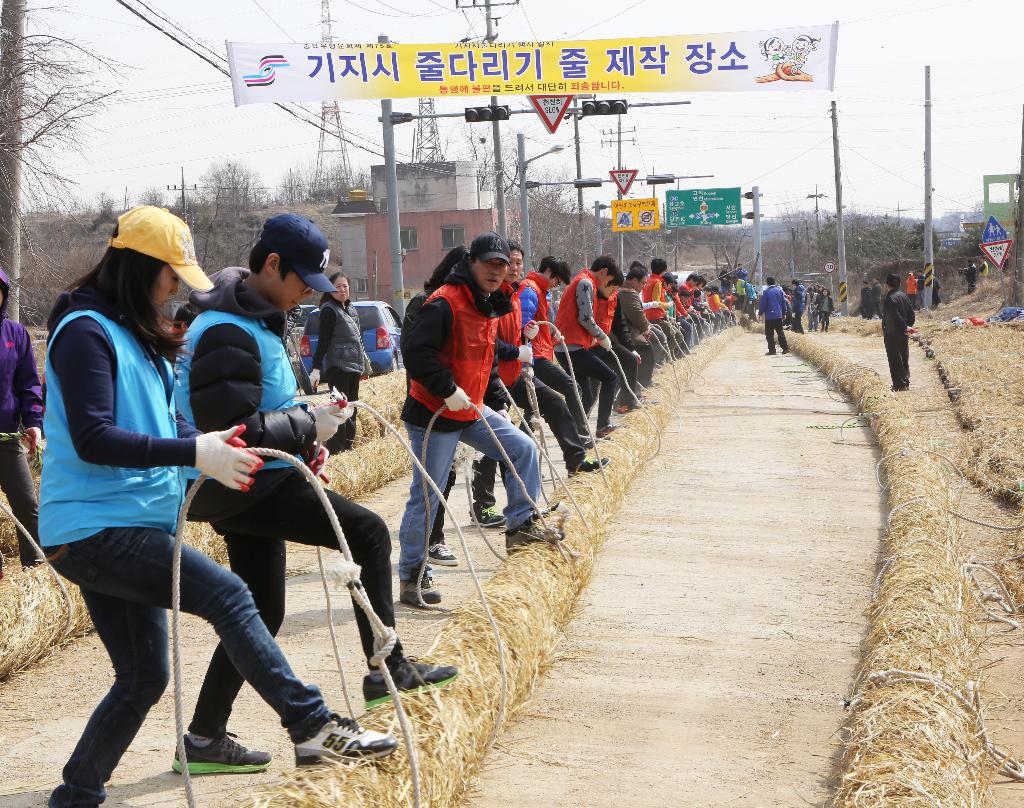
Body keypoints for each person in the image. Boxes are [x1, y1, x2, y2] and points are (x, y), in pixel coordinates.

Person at [40, 207, 389, 807]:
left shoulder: (139, 337)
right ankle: (311, 725)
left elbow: (168, 421)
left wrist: (227, 449)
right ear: (138, 268)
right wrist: (191, 450)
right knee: (232, 596)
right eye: (171, 275)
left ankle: (76, 794)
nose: (176, 288)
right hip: (96, 525)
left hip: (132, 521)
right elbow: (95, 436)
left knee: (144, 677)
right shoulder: (84, 333)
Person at [176, 213, 457, 773]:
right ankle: (387, 669)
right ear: (272, 264)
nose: (309, 292)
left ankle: (204, 736)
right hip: (242, 485)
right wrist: (307, 425)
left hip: (248, 483)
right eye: (303, 280)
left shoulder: (253, 320)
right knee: (369, 534)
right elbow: (232, 426)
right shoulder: (226, 328)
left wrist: (308, 430)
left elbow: (263, 412)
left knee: (262, 610)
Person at [398, 231, 555, 605]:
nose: (497, 271)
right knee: (427, 496)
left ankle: (520, 525)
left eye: (503, 265)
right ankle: (412, 576)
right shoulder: (444, 303)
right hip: (434, 413)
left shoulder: (486, 302)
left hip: (469, 409)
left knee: (522, 449)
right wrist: (448, 390)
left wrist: (518, 352)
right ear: (472, 263)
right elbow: (415, 354)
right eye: (490, 264)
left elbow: (484, 349)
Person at [470, 241, 600, 538]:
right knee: (497, 440)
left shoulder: (515, 294)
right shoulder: (489, 297)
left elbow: (515, 332)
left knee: (552, 403)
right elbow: (486, 343)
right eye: (509, 263)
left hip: (515, 374)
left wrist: (524, 337)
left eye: (517, 263)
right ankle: (484, 504)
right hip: (492, 380)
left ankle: (574, 461)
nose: (514, 268)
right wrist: (518, 350)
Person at [403, 247, 474, 554]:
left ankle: (434, 536)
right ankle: (432, 541)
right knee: (432, 481)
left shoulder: (472, 305)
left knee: (450, 472)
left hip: (461, 403)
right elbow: (414, 353)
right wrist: (445, 388)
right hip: (432, 402)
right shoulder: (428, 302)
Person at [0, 266, 43, 578]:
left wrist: (33, 422)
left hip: (7, 437)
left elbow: (28, 384)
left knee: (27, 504)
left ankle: (36, 571)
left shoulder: (15, 335)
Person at [518, 256, 586, 441]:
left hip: (538, 353)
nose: (556, 285)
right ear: (548, 271)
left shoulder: (539, 291)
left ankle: (502, 456)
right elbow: (524, 328)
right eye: (557, 280)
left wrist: (551, 335)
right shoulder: (530, 290)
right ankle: (580, 438)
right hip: (534, 357)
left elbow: (536, 327)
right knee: (572, 388)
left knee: (534, 408)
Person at [555, 256, 624, 439]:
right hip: (571, 347)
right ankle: (602, 425)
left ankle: (576, 434)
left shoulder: (585, 282)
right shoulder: (585, 283)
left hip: (573, 346)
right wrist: (601, 337)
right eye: (609, 280)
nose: (607, 283)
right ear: (603, 272)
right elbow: (585, 318)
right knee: (610, 378)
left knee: (585, 394)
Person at [309, 272, 363, 453]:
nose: (342, 290)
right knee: (339, 411)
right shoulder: (329, 311)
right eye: (338, 286)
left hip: (354, 366)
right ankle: (336, 451)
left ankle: (349, 448)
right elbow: (323, 341)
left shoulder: (350, 308)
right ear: (329, 289)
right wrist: (316, 368)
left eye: (345, 286)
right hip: (338, 367)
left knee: (352, 410)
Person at [619, 265, 657, 389]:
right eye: (642, 283)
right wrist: (646, 328)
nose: (643, 286)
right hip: (627, 333)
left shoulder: (624, 291)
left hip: (626, 331)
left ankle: (639, 387)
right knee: (646, 350)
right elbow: (636, 313)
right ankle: (640, 387)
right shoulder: (628, 293)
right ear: (634, 280)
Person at [881, 272, 915, 392]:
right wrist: (909, 326)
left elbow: (895, 316)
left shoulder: (890, 299)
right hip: (903, 332)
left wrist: (904, 326)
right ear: (900, 283)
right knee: (904, 356)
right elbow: (912, 313)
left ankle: (899, 384)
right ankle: (905, 381)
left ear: (886, 285)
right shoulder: (904, 296)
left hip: (892, 332)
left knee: (894, 358)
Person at [757, 276, 789, 356]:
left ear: (767, 282)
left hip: (770, 316)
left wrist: (760, 313)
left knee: (769, 333)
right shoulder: (780, 291)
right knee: (780, 332)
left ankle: (772, 350)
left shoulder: (766, 292)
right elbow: (783, 303)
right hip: (779, 315)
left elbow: (763, 304)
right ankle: (785, 348)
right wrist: (784, 313)